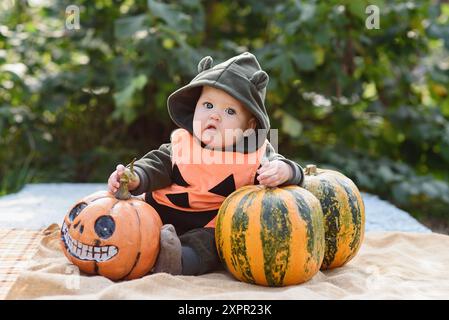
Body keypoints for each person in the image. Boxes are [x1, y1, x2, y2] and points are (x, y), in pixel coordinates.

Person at [107, 52, 305, 276]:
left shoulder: (256, 154)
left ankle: (178, 260)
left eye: (229, 111)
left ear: (249, 126)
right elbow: (156, 164)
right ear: (195, 108)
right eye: (208, 105)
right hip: (161, 210)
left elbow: (290, 171)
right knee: (136, 220)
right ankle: (129, 246)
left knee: (212, 245)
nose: (215, 116)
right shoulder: (183, 142)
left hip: (210, 223)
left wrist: (285, 171)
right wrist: (136, 178)